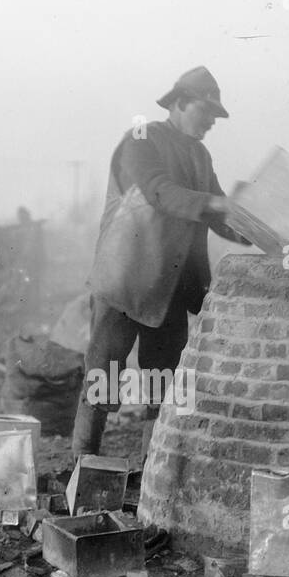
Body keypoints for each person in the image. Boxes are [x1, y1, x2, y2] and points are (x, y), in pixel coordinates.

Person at [72, 66, 251, 457]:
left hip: (171, 287)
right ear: (180, 102)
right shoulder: (142, 139)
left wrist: (256, 229)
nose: (210, 124)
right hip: (126, 282)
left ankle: (150, 476)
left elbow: (218, 215)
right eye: (206, 113)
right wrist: (218, 202)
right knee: (102, 378)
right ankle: (82, 468)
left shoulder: (200, 155)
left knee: (163, 384)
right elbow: (158, 192)